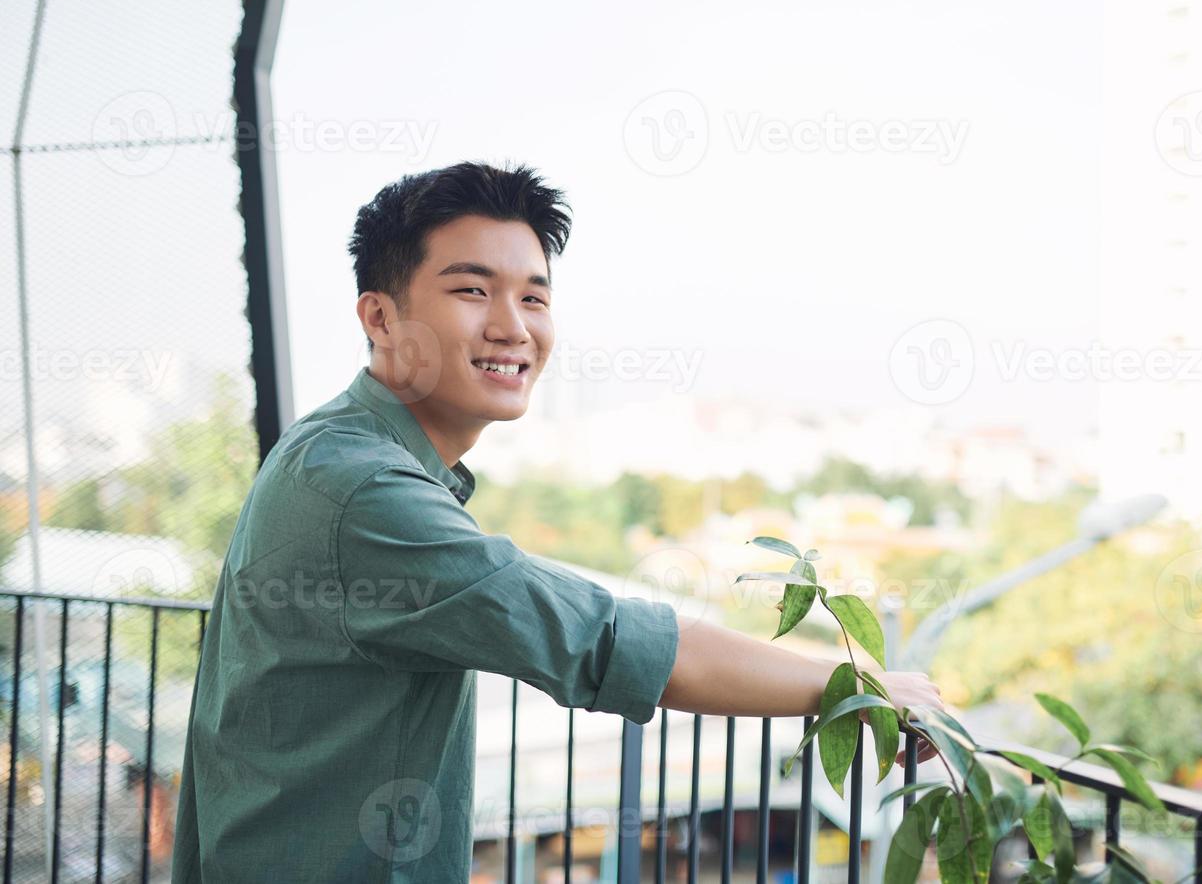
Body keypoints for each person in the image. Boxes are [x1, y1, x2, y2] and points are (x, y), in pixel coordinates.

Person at [170, 160, 945, 882]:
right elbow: (602, 639)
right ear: (381, 316)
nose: (513, 326)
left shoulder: (335, 449)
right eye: (472, 291)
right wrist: (862, 683)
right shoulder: (363, 490)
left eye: (534, 297)